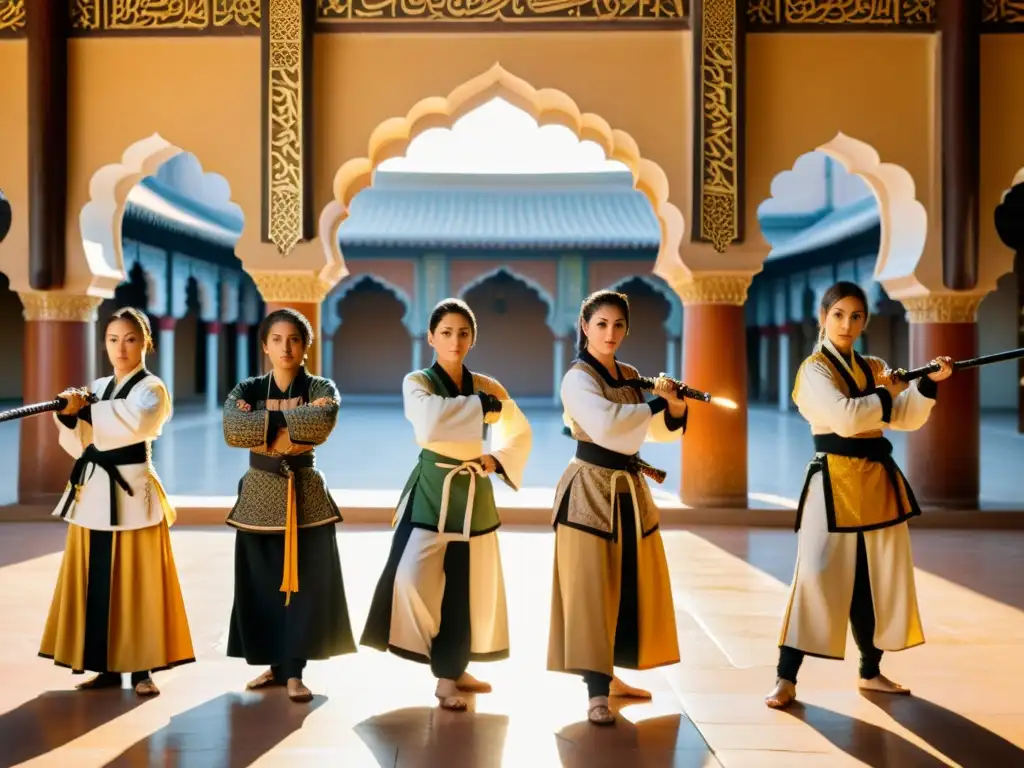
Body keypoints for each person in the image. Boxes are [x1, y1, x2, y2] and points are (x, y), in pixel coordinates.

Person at [764, 281, 954, 709]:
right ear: (823, 318)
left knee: (873, 581)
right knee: (813, 576)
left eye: (856, 316)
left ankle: (871, 671)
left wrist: (926, 384)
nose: (846, 324)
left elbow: (903, 417)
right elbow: (846, 419)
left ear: (865, 320)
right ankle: (785, 678)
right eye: (838, 315)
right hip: (831, 481)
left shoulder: (873, 365)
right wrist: (888, 392)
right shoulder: (814, 369)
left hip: (876, 479)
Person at [360, 298, 533, 711]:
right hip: (432, 489)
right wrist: (481, 408)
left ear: (473, 339)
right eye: (446, 332)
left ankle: (450, 673)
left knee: (466, 587)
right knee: (412, 578)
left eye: (463, 333)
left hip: (473, 492)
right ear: (431, 337)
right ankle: (441, 657)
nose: (455, 341)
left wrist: (498, 458)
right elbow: (431, 422)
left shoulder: (488, 386)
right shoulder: (416, 381)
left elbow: (518, 428)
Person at [547, 289, 688, 726]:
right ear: (585, 327)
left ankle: (611, 677)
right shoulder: (576, 378)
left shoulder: (629, 374)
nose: (610, 333)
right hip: (589, 490)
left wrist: (675, 405)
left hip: (627, 492)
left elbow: (657, 431)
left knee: (626, 585)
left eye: (618, 325)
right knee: (592, 590)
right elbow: (608, 428)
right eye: (601, 324)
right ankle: (595, 691)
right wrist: (654, 405)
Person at [40, 306, 194, 696]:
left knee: (138, 581)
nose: (121, 348)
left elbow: (135, 423)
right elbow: (83, 440)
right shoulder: (99, 385)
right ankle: (104, 667)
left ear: (146, 343)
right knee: (96, 579)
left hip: (133, 492)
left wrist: (85, 408)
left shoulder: (152, 389)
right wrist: (70, 414)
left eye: (130, 339)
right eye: (113, 340)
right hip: (93, 491)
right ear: (104, 344)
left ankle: (143, 669)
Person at [222, 307, 356, 703]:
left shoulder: (321, 386)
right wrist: (287, 426)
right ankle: (275, 665)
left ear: (305, 347)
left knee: (304, 587)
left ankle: (295, 670)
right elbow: (233, 428)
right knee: (262, 583)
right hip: (259, 496)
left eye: (294, 339)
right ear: (265, 345)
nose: (285, 347)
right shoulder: (246, 388)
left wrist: (264, 425)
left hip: (306, 497)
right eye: (277, 339)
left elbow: (322, 421)